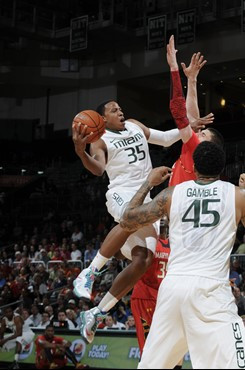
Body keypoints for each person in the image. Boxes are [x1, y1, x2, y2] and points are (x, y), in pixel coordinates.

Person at [73, 44, 213, 344]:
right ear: (102, 119)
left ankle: (97, 313)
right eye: (113, 109)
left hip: (148, 193)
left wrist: (190, 127)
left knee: (143, 260)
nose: (120, 110)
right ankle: (90, 272)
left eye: (119, 107)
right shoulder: (101, 139)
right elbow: (97, 169)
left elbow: (164, 139)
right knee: (130, 217)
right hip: (123, 193)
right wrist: (79, 150)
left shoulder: (135, 125)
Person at [120, 140, 245, 369]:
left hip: (173, 288)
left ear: (195, 168)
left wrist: (148, 183)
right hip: (211, 291)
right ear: (223, 169)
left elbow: (127, 218)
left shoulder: (171, 194)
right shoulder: (237, 196)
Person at [166, 35, 223, 187]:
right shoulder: (195, 151)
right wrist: (192, 79)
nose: (198, 133)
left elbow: (179, 112)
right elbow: (192, 119)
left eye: (202, 135)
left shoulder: (196, 149)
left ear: (208, 147)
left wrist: (174, 68)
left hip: (179, 208)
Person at [130, 216, 170, 355]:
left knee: (168, 347)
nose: (163, 219)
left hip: (165, 298)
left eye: (166, 216)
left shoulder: (176, 244)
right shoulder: (148, 240)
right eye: (160, 217)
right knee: (148, 348)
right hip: (144, 295)